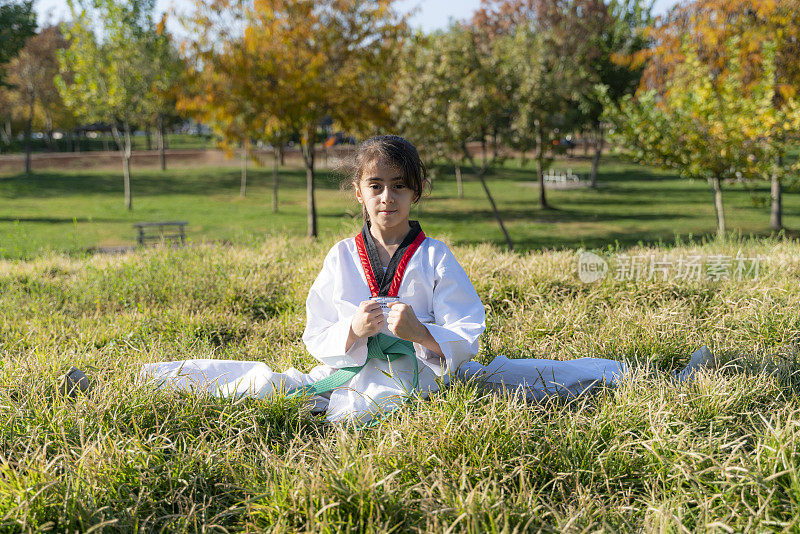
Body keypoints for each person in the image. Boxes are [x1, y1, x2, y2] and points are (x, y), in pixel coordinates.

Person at [136, 135, 714, 424]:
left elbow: (470, 328)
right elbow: (316, 333)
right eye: (376, 185)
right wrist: (350, 330)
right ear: (358, 193)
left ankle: (650, 380)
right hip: (354, 371)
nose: (388, 198)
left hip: (434, 374)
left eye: (400, 186)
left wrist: (423, 333)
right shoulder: (342, 256)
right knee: (270, 383)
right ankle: (151, 379)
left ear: (416, 192)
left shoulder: (435, 257)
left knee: (528, 376)